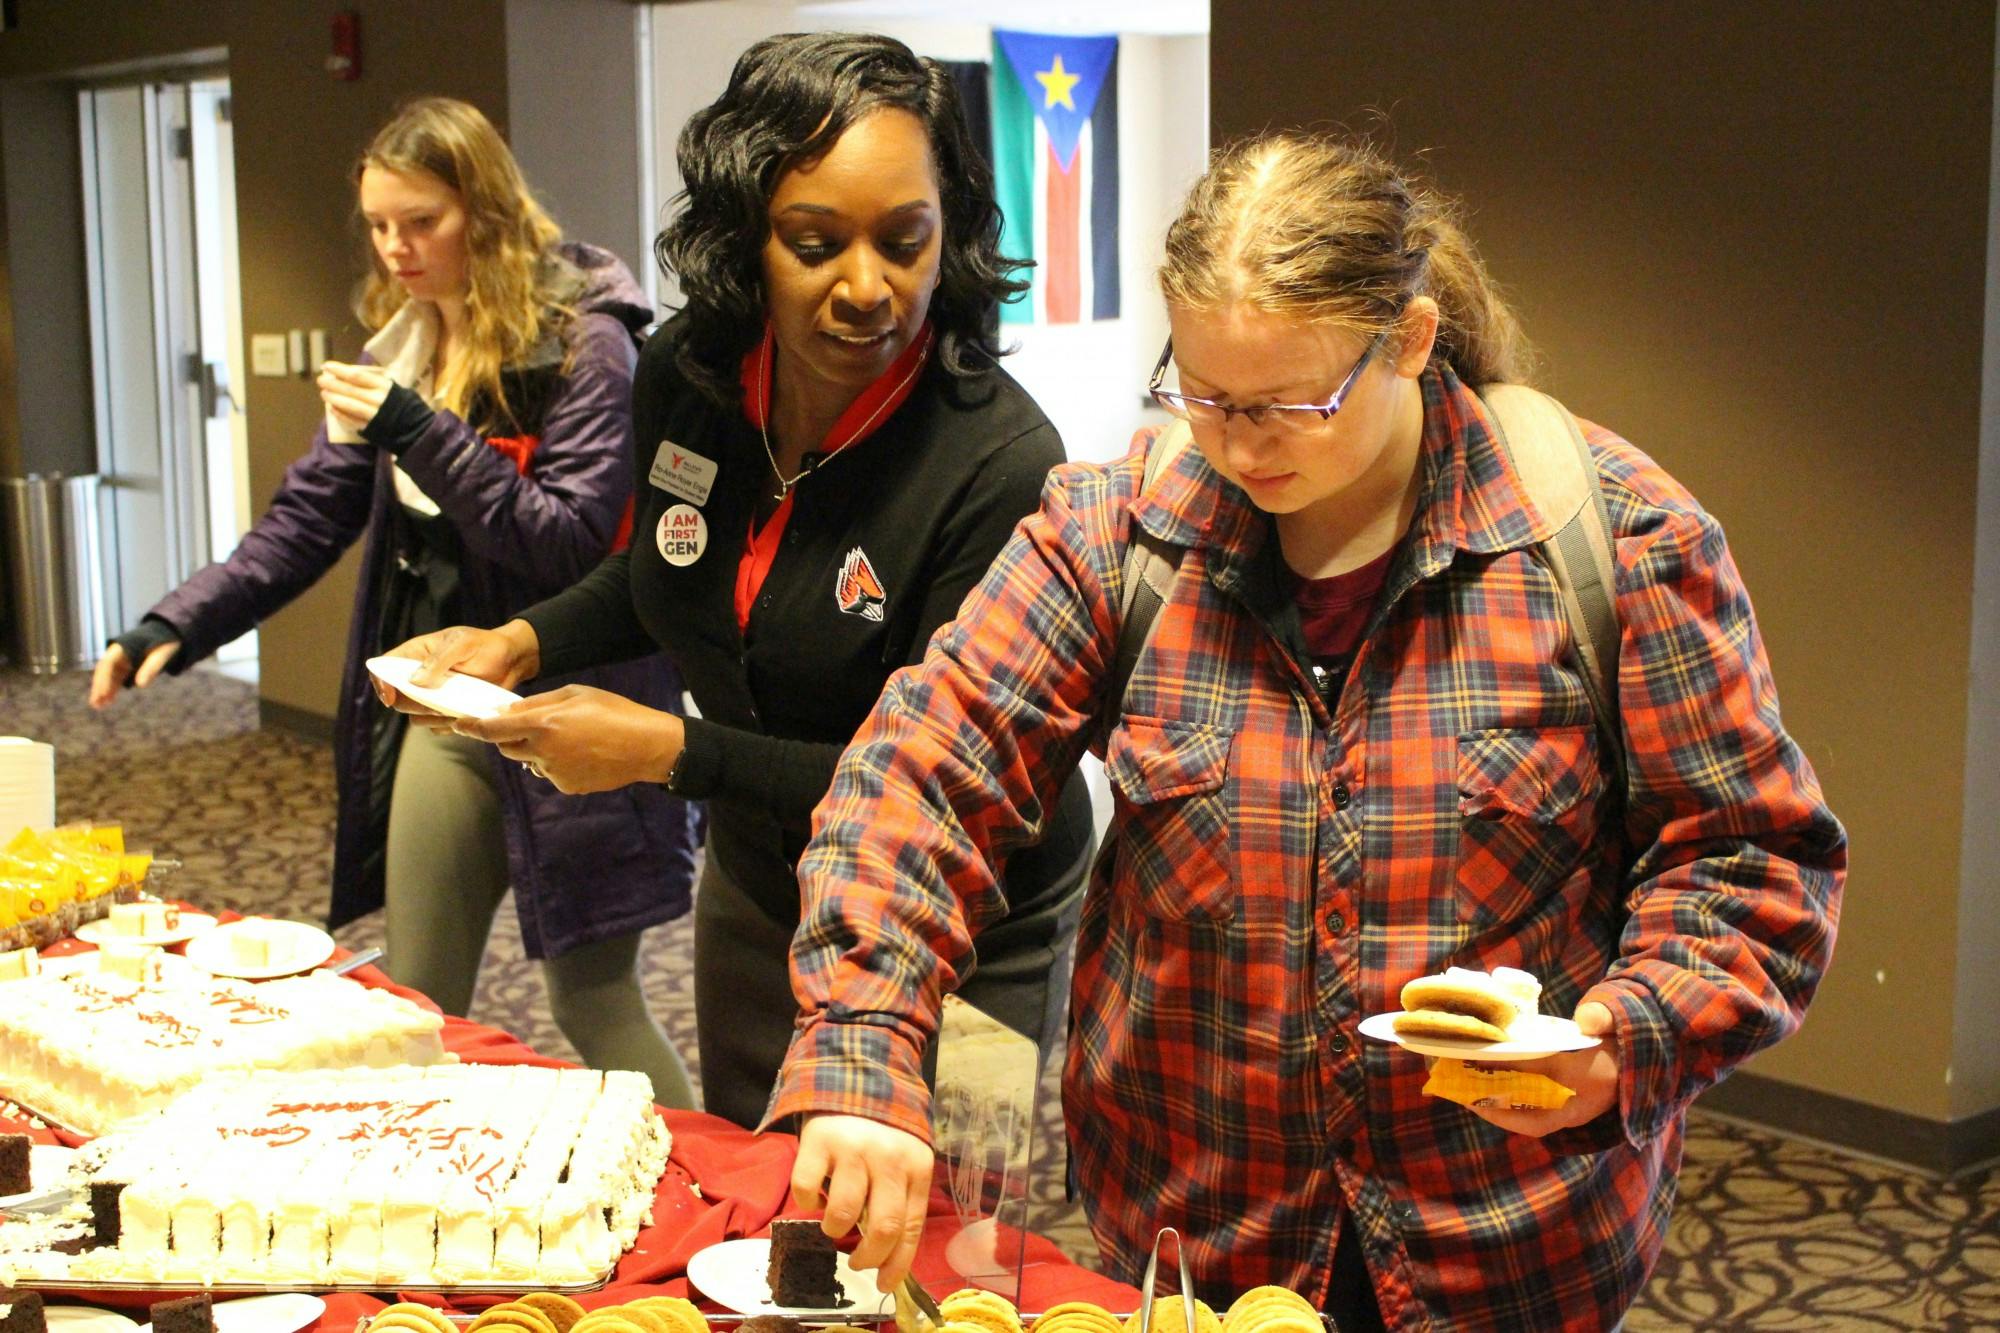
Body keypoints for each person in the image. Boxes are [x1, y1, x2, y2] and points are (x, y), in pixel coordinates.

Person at [769, 133, 1848, 1331]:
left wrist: (1623, 1037)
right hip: (1195, 1234)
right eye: (1206, 394)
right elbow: (919, 775)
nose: (1238, 445)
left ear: (1410, 342)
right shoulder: (1117, 533)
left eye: (1290, 403)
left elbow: (1750, 857)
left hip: (1506, 1243)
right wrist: (865, 1043)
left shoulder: (1618, 542)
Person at [375, 34, 1094, 1129]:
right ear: (744, 241)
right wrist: (517, 643)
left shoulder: (993, 463)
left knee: (921, 1240)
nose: (869, 288)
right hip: (765, 870)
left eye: (906, 242)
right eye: (815, 244)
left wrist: (669, 752)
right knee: (761, 1205)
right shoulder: (693, 377)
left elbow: (923, 780)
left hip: (958, 908)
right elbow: (671, 570)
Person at [89, 97, 700, 1107]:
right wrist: (178, 621)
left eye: (421, 221)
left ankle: (712, 1206)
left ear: (488, 212)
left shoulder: (591, 343)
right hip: (446, 705)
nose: (397, 247)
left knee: (593, 998)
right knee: (420, 995)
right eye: (379, 225)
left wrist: (421, 428)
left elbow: (562, 540)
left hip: (578, 700)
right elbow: (300, 525)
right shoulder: (401, 352)